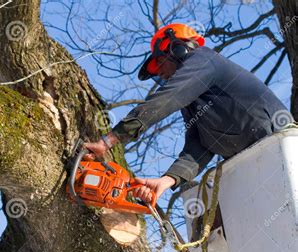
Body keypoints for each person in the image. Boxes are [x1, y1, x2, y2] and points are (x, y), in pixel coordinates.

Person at [85, 23, 288, 203]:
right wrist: (167, 180)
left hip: (283, 146)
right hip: (258, 164)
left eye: (161, 63)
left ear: (178, 49)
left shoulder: (205, 60)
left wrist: (109, 140)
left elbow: (167, 98)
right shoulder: (194, 102)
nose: (161, 74)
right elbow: (199, 145)